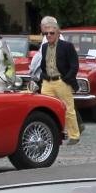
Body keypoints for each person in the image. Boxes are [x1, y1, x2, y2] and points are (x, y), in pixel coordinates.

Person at [29, 16, 81, 144]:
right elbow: (42, 64)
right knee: (46, 109)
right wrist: (43, 77)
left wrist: (66, 79)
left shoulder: (67, 46)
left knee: (68, 109)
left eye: (51, 33)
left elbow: (74, 65)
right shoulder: (44, 47)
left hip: (61, 81)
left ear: (58, 33)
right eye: (46, 33)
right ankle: (51, 134)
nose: (49, 35)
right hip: (47, 82)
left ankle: (74, 135)